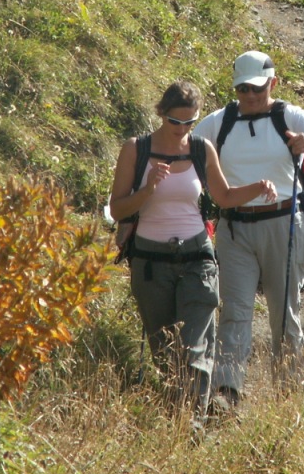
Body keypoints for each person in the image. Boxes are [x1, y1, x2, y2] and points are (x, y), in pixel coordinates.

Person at [108, 81, 276, 435]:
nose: (183, 129)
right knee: (165, 351)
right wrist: (148, 189)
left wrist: (259, 188)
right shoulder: (136, 149)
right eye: (176, 122)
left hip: (197, 258)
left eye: (190, 122)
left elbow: (224, 197)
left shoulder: (201, 149)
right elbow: (118, 208)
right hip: (150, 263)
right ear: (161, 114)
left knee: (195, 347)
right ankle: (178, 421)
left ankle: (194, 424)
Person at [194, 51, 304, 414]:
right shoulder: (219, 122)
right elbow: (186, 148)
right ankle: (227, 393)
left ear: (273, 83)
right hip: (234, 228)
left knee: (284, 313)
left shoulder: (289, 116)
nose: (250, 95)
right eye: (243, 88)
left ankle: (289, 391)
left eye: (257, 88)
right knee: (235, 312)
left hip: (284, 223)